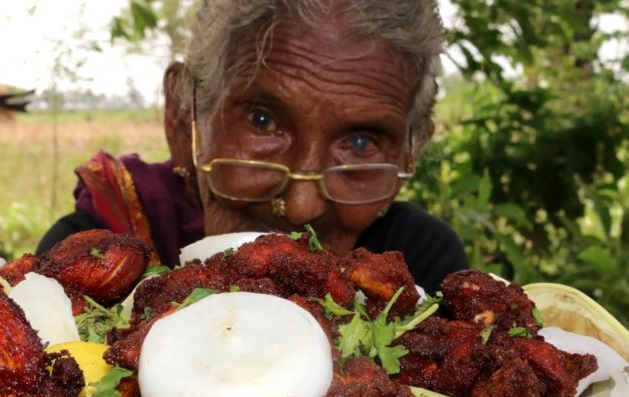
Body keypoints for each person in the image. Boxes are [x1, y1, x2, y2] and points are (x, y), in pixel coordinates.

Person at [38, 0, 468, 295]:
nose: (302, 207)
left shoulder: (423, 274)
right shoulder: (89, 264)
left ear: (410, 151)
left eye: (360, 143)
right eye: (262, 120)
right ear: (181, 113)